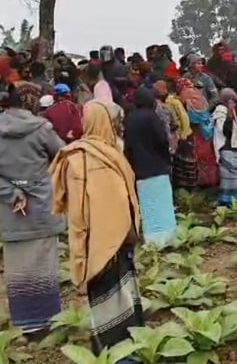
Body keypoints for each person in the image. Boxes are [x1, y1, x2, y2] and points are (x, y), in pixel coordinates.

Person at [50, 102, 143, 359]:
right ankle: (122, 352)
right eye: (115, 122)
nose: (117, 127)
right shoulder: (92, 156)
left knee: (114, 297)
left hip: (109, 242)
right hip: (111, 241)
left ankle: (118, 349)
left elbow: (82, 212)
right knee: (115, 296)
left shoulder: (93, 154)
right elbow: (82, 212)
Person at [0, 85, 65, 339]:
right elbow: (62, 155)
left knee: (18, 269)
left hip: (10, 213)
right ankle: (46, 324)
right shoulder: (41, 128)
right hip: (41, 208)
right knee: (43, 267)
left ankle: (26, 324)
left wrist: (11, 192)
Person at [124, 87, 177, 246]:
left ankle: (152, 239)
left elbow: (128, 145)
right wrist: (167, 158)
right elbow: (162, 140)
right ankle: (167, 238)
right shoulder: (152, 117)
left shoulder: (130, 118)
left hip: (140, 168)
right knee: (162, 203)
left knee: (148, 205)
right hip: (157, 166)